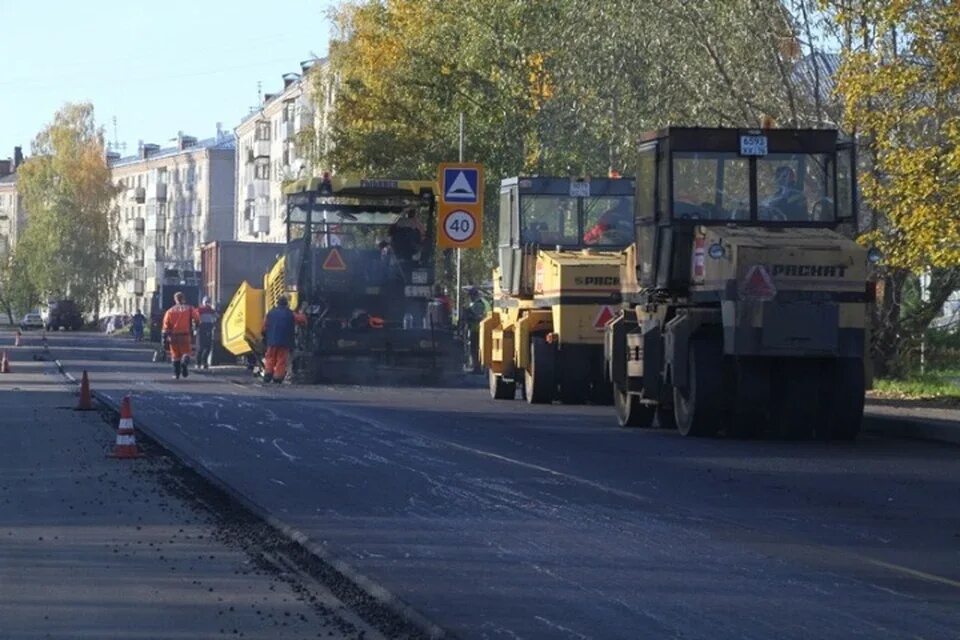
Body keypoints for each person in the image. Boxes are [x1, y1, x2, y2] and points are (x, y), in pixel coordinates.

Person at [261, 296, 306, 384]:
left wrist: (264, 335)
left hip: (272, 341)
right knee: (281, 359)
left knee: (270, 358)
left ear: (277, 303)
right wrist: (303, 313)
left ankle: (268, 375)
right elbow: (301, 320)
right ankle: (277, 377)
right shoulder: (290, 313)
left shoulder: (270, 313)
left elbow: (264, 327)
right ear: (287, 304)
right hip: (284, 341)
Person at [162, 292, 198, 380]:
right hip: (185, 335)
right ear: (183, 298)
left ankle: (176, 374)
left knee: (175, 355)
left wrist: (164, 337)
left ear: (175, 300)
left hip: (173, 336)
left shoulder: (170, 311)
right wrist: (195, 327)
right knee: (186, 353)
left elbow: (166, 326)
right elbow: (197, 319)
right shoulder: (190, 309)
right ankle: (184, 363)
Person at [461, 287, 487, 373]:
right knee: (475, 349)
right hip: (477, 329)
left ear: (474, 295)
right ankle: (477, 366)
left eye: (471, 295)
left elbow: (479, 317)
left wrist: (468, 316)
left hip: (478, 330)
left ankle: (478, 367)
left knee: (475, 349)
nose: (470, 297)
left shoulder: (478, 304)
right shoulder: (478, 303)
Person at [195, 297, 217, 370]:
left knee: (205, 347)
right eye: (207, 302)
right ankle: (200, 363)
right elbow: (217, 317)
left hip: (205, 328)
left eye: (208, 302)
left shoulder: (209, 310)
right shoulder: (200, 310)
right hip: (203, 327)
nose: (207, 303)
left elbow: (216, 317)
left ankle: (202, 363)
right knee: (202, 347)